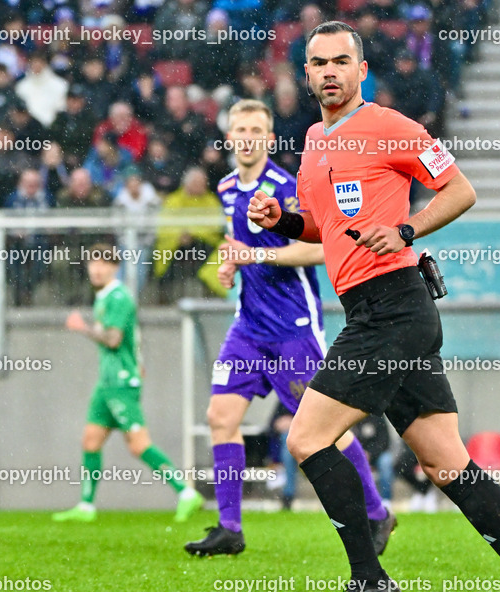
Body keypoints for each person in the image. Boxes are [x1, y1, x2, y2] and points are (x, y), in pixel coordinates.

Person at [246, 21, 500, 592]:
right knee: (445, 462)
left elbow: (461, 190)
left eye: (343, 60)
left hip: (392, 309)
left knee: (307, 438)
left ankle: (368, 578)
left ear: (361, 69)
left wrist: (407, 231)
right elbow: (325, 228)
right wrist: (283, 220)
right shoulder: (314, 138)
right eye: (319, 63)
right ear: (306, 73)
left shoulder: (391, 126)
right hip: (378, 312)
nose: (331, 71)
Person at [183, 99, 395, 557]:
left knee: (327, 430)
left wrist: (254, 256)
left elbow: (321, 249)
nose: (247, 136)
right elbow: (237, 243)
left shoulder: (286, 187)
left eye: (256, 129)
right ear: (229, 137)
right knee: (220, 418)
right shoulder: (224, 187)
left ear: (269, 138)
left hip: (294, 327)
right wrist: (229, 265)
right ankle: (229, 527)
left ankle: (377, 511)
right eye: (239, 128)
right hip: (248, 327)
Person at [53, 245, 205, 523]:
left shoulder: (119, 297)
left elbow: (113, 339)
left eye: (102, 264)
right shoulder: (105, 297)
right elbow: (130, 337)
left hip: (121, 382)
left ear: (114, 267)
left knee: (138, 444)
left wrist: (81, 327)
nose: (96, 269)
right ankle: (86, 506)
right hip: (108, 381)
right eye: (92, 264)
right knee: (90, 440)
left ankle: (185, 492)